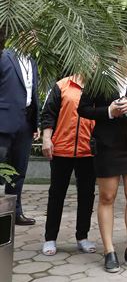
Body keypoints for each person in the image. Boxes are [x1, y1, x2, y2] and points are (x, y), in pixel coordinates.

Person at [77, 33, 127, 272]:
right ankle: (109, 251)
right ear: (119, 50)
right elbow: (83, 109)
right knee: (107, 197)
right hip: (107, 145)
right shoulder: (101, 77)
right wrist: (109, 111)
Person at [41, 75, 96, 257]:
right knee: (56, 194)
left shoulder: (99, 87)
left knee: (87, 195)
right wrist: (47, 139)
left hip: (88, 150)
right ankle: (50, 238)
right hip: (62, 148)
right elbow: (48, 113)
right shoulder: (62, 85)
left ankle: (82, 237)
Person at [0, 48, 39, 225]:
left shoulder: (32, 61)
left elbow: (33, 93)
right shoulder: (4, 56)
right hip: (3, 121)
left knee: (18, 170)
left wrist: (36, 123)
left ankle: (14, 212)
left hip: (26, 121)